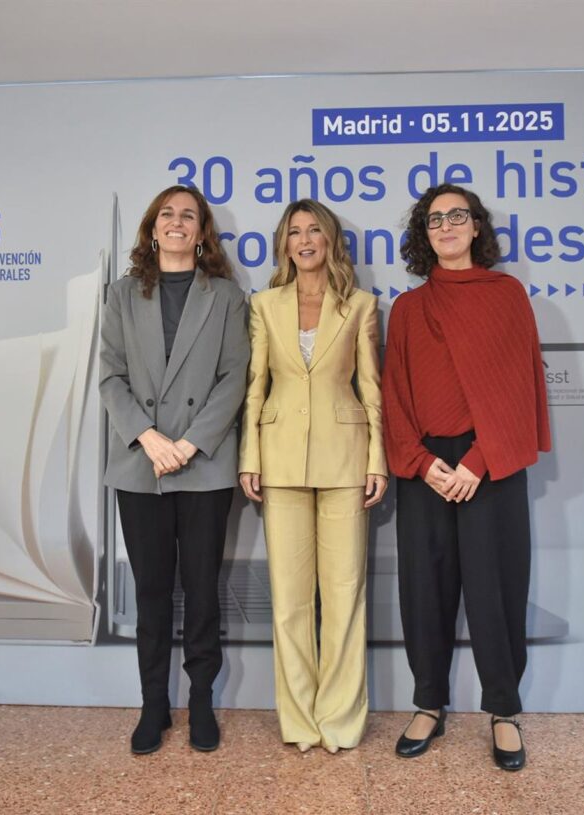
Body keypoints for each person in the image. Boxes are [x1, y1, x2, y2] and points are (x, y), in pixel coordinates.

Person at [381, 183, 551, 770]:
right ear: (423, 236)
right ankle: (428, 703)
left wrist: (477, 462)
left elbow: (516, 388)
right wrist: (425, 463)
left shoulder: (508, 296)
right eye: (435, 220)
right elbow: (393, 397)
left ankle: (504, 709)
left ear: (477, 226)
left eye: (458, 216)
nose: (447, 226)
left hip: (490, 462)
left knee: (495, 588)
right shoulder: (407, 308)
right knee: (424, 591)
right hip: (426, 464)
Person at [98, 185, 249, 754]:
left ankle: (203, 700)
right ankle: (154, 706)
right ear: (152, 228)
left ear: (202, 230)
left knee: (203, 592)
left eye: (189, 215)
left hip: (203, 466)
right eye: (168, 214)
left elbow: (235, 377)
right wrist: (148, 434)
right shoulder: (120, 295)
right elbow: (110, 376)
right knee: (152, 590)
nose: (178, 222)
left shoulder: (228, 297)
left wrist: (189, 444)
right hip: (140, 464)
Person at [238, 199, 387, 753]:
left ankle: (341, 721)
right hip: (278, 461)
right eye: (295, 232)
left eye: (314, 231)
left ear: (330, 241)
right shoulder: (263, 305)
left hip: (346, 459)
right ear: (284, 244)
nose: (305, 240)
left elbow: (371, 388)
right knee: (290, 600)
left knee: (345, 595)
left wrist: (378, 461)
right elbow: (256, 385)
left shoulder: (362, 305)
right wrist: (248, 456)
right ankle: (299, 722)